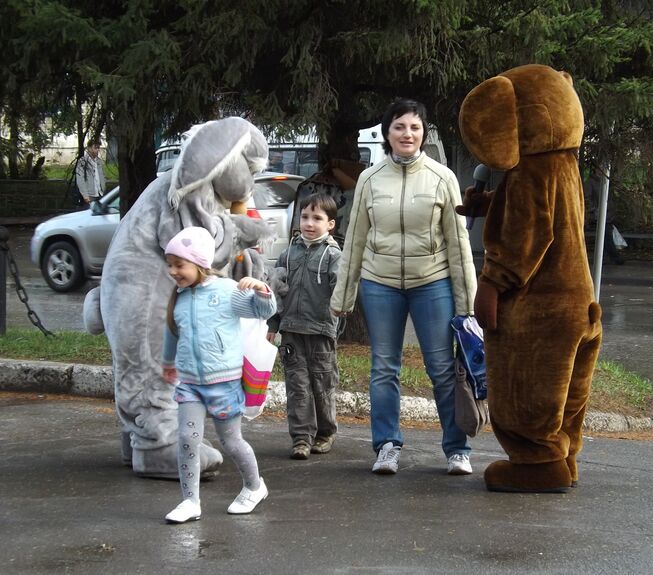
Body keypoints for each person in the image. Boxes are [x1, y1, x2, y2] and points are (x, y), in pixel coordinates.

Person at [330, 98, 478, 476]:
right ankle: (387, 445)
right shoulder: (369, 179)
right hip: (380, 284)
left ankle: (457, 449)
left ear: (424, 132)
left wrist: (468, 303)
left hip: (433, 282)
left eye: (414, 127)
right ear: (386, 133)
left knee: (443, 367)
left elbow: (460, 246)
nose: (407, 134)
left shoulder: (442, 178)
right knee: (383, 367)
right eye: (399, 127)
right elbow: (356, 240)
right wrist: (343, 295)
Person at [161, 226, 277, 524]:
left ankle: (254, 486)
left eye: (179, 265)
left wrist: (261, 290)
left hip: (223, 384)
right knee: (187, 440)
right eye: (170, 265)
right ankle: (190, 501)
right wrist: (168, 361)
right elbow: (173, 332)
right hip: (190, 385)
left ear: (199, 263)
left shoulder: (227, 291)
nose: (173, 272)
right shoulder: (180, 297)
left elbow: (264, 312)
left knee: (232, 442)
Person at [268, 193, 342, 460]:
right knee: (297, 386)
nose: (309, 223)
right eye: (305, 217)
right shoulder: (287, 255)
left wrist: (336, 316)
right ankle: (301, 437)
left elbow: (341, 293)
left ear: (330, 224)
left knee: (322, 385)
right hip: (291, 332)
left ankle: (325, 433)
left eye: (317, 218)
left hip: (321, 331)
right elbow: (277, 292)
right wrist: (274, 323)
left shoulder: (334, 256)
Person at [75, 138, 106, 204]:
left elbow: (102, 176)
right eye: (95, 148)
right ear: (89, 148)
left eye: (98, 148)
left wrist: (103, 188)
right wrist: (85, 196)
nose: (97, 150)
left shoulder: (99, 161)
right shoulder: (82, 162)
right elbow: (80, 180)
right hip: (89, 196)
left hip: (100, 194)